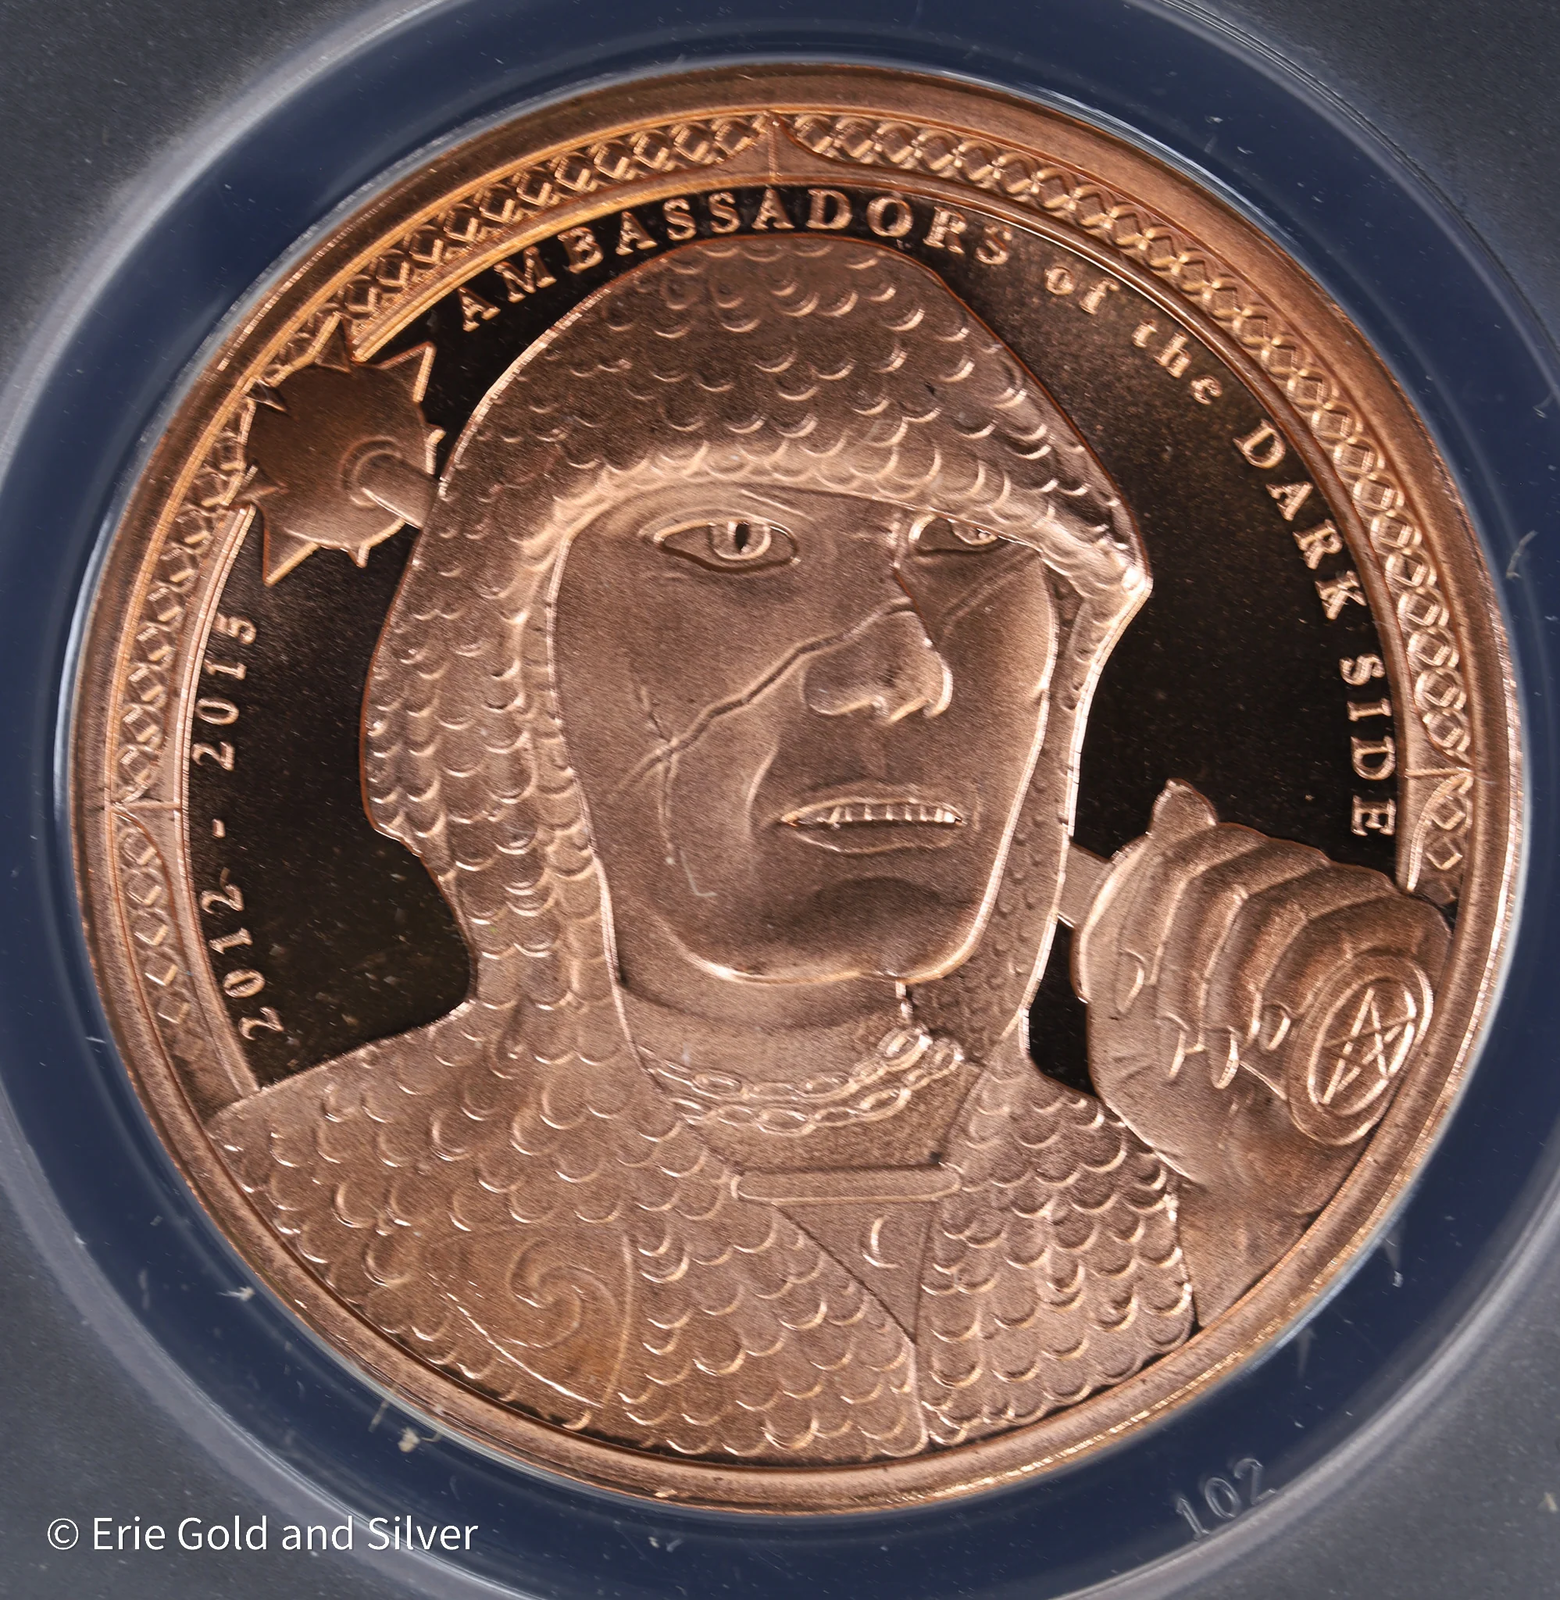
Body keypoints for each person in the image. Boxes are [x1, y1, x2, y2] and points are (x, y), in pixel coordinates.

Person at [212, 235, 1447, 1463]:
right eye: (737, 542)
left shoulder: (1149, 1195)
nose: (900, 672)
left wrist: (1267, 1208)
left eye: (967, 543)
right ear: (517, 660)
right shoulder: (299, 1196)